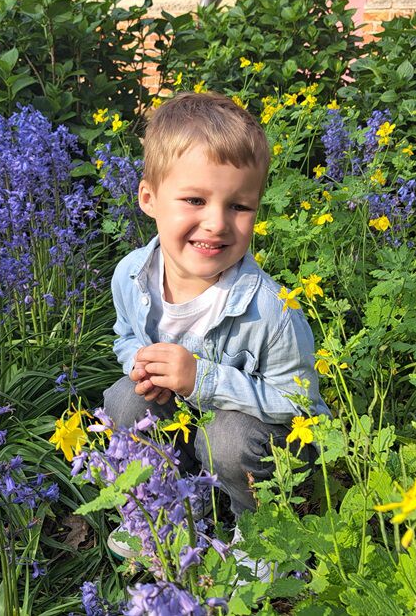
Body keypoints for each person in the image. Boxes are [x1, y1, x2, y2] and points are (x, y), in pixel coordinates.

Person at [103, 91, 329, 559]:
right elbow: (125, 336)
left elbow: (300, 405)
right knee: (124, 401)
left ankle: (261, 531)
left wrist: (201, 380)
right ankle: (170, 508)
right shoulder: (130, 274)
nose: (217, 223)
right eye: (194, 200)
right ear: (149, 198)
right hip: (185, 422)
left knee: (227, 439)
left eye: (239, 206)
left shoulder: (270, 310)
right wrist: (139, 364)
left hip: (260, 437)